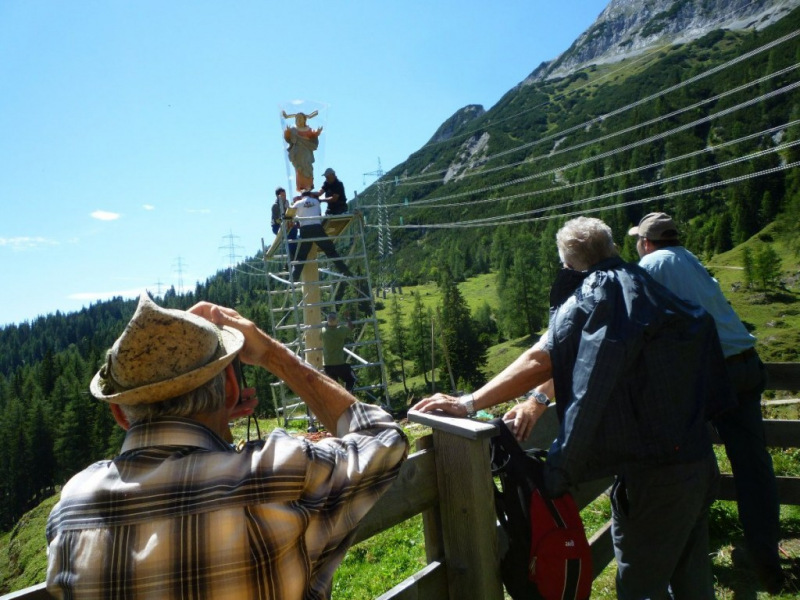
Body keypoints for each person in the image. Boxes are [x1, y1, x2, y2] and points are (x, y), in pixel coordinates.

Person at [412, 216, 734, 599]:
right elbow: (586, 358)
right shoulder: (645, 288)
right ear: (613, 248)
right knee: (692, 578)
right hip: (696, 460)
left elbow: (543, 358)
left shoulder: (597, 292)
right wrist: (538, 400)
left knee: (639, 586)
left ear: (568, 262)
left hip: (654, 476)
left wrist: (470, 403)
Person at [45, 294, 408, 600]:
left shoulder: (69, 512)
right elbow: (382, 437)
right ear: (231, 388)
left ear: (119, 414)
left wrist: (213, 415)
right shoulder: (278, 476)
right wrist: (271, 355)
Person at [629, 211, 785, 593]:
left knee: (689, 461)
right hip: (747, 363)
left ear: (646, 241)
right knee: (753, 466)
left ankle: (686, 557)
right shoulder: (688, 259)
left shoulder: (651, 265)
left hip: (714, 374)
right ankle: (767, 562)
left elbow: (636, 320)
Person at [290, 190, 354, 283]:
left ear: (301, 195)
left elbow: (290, 214)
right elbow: (319, 214)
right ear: (310, 194)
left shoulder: (298, 203)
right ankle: (344, 270)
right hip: (317, 228)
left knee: (301, 256)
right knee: (331, 251)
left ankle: (294, 276)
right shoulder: (316, 202)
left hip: (305, 230)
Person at [282, 110, 322, 191]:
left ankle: (309, 187)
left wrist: (317, 133)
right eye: (297, 119)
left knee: (308, 169)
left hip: (307, 154)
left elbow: (313, 136)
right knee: (299, 170)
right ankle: (301, 188)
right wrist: (287, 132)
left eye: (300, 118)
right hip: (297, 154)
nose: (298, 120)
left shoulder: (308, 129)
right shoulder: (293, 130)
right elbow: (288, 139)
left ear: (304, 120)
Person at [321, 311, 356, 392]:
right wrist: (348, 318)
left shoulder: (324, 332)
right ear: (337, 321)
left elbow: (325, 327)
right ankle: (348, 395)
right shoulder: (341, 331)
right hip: (339, 363)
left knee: (334, 388)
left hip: (327, 365)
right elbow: (351, 327)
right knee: (351, 380)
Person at [271, 186, 298, 258]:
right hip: (277, 226)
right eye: (283, 195)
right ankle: (292, 254)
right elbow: (276, 220)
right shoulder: (275, 206)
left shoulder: (286, 203)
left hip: (286, 224)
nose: (284, 197)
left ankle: (294, 253)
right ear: (277, 196)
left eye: (285, 195)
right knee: (289, 233)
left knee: (294, 230)